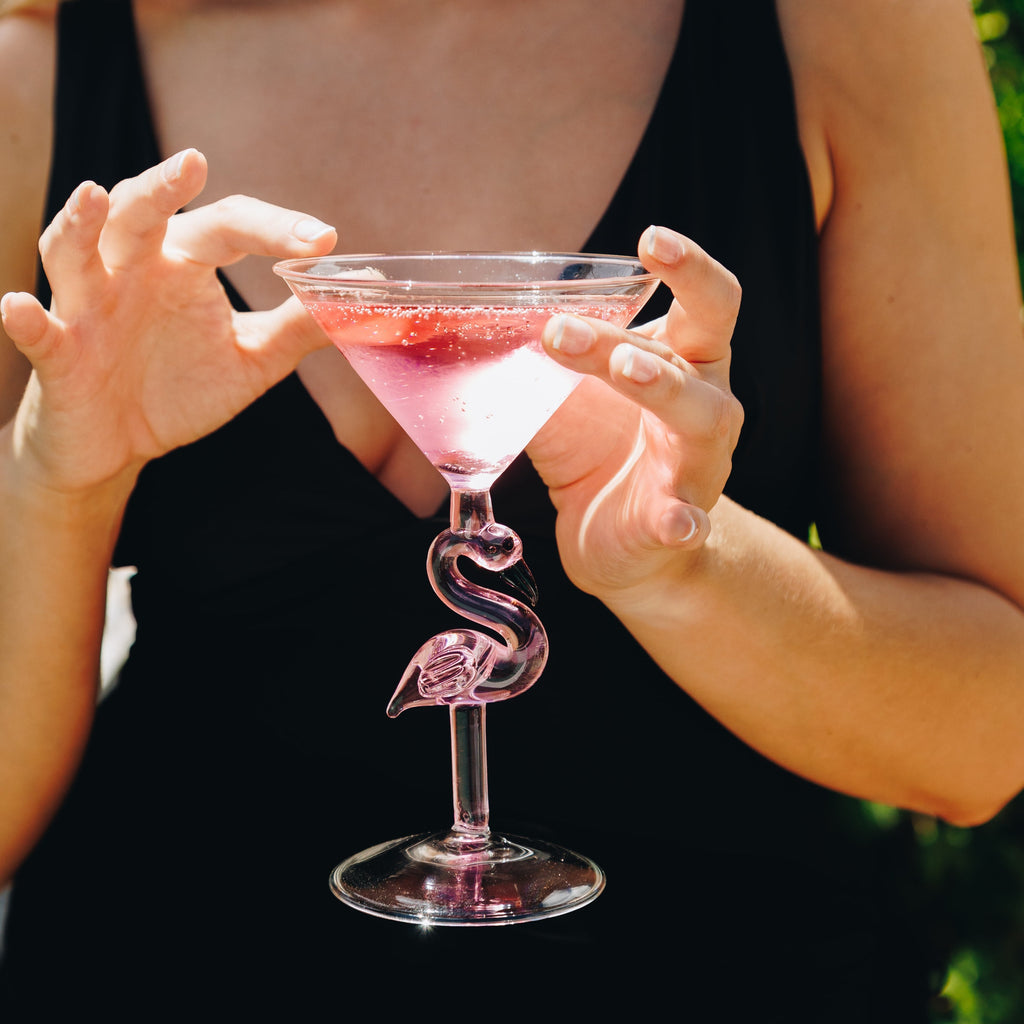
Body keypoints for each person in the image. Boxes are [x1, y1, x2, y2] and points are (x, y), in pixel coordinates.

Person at [0, 0, 1022, 1018]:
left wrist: (684, 570)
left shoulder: (845, 25)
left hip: (717, 968)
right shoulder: (35, 63)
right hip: (166, 959)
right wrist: (56, 479)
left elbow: (986, 745)